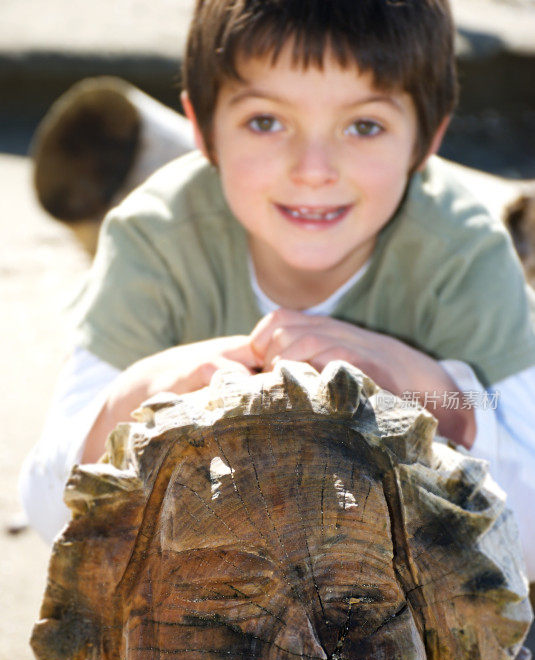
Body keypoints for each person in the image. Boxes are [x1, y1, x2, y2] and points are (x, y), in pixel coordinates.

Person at [20, 0, 535, 577]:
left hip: (419, 609)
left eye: (364, 126)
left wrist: (440, 399)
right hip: (207, 609)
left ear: (426, 139)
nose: (313, 168)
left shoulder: (464, 254)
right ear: (203, 128)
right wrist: (126, 402)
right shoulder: (156, 241)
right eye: (266, 121)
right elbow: (48, 512)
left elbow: (531, 535)